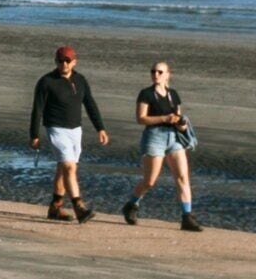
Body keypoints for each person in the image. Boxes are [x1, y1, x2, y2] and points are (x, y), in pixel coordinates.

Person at [25, 44, 110, 222]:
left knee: (63, 169)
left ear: (74, 62)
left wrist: (100, 128)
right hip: (56, 129)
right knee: (69, 167)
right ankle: (79, 207)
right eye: (60, 61)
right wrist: (34, 134)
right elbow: (37, 109)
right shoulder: (46, 82)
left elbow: (90, 104)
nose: (63, 64)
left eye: (67, 61)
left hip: (76, 130)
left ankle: (55, 208)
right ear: (55, 61)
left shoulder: (80, 80)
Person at [126, 60, 200, 230]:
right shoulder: (146, 94)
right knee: (150, 180)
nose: (155, 75)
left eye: (159, 72)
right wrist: (164, 118)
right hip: (154, 137)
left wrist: (181, 124)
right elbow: (141, 118)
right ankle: (132, 204)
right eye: (153, 71)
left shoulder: (173, 94)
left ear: (168, 74)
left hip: (173, 138)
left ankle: (187, 216)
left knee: (182, 176)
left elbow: (179, 117)